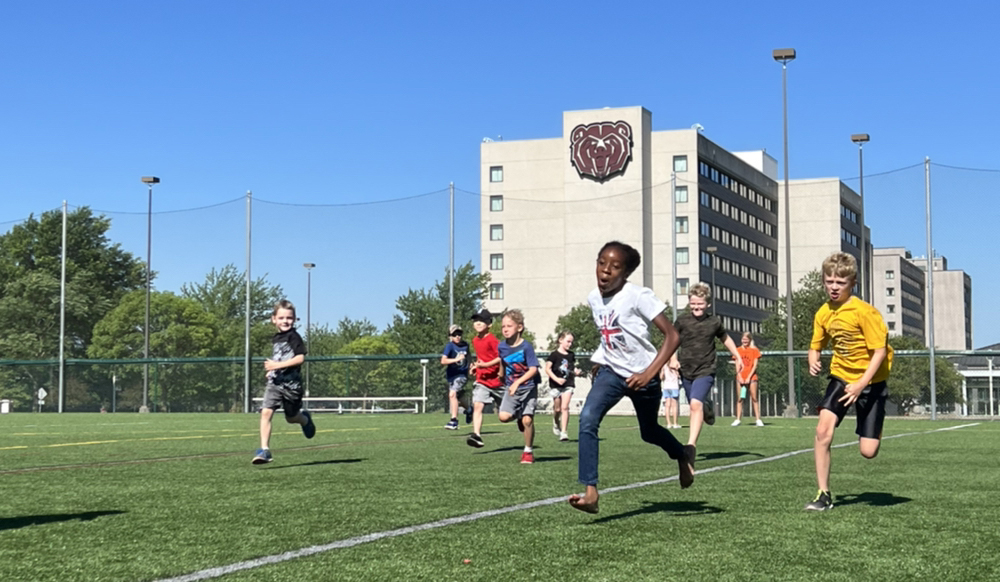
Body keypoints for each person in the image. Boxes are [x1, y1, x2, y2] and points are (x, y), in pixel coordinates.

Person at [569, 241, 688, 514]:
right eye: (601, 263)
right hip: (612, 372)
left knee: (649, 432)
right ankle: (591, 491)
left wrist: (649, 373)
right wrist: (600, 359)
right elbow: (609, 332)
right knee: (587, 419)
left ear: (626, 274)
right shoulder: (593, 298)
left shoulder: (638, 296)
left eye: (615, 266)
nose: (606, 271)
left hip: (643, 374)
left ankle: (682, 454)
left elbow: (673, 336)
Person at [805, 252, 893, 511]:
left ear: (852, 283)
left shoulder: (865, 313)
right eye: (829, 281)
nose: (833, 287)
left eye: (840, 283)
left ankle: (874, 428)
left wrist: (862, 384)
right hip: (841, 377)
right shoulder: (823, 313)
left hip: (872, 381)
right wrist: (813, 358)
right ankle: (823, 494)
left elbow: (879, 352)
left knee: (868, 451)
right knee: (822, 431)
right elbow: (816, 345)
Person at [669, 283, 743, 473]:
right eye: (693, 304)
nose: (696, 308)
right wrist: (673, 358)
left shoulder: (714, 322)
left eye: (700, 305)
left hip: (706, 369)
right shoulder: (682, 321)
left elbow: (725, 338)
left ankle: (691, 446)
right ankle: (707, 406)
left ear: (708, 304)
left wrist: (737, 355)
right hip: (686, 371)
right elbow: (671, 340)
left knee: (694, 404)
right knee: (697, 404)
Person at [253, 299, 316, 464]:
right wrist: (273, 370)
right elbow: (281, 356)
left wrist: (277, 365)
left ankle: (305, 419)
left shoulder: (294, 337)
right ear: (273, 319)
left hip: (291, 385)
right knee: (266, 412)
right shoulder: (276, 338)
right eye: (281, 318)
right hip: (276, 383)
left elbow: (300, 358)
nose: (285, 321)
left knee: (291, 418)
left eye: (289, 318)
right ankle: (264, 450)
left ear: (294, 319)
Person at [496, 309, 540, 464]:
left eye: (509, 326)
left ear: (519, 327)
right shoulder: (502, 347)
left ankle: (528, 452)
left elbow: (534, 369)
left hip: (528, 388)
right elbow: (502, 360)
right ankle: (518, 416)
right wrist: (500, 375)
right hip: (511, 388)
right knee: (503, 417)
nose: (505, 329)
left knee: (528, 420)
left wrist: (517, 382)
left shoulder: (526, 347)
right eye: (503, 326)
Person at [467, 309, 502, 448]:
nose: (478, 323)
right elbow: (481, 358)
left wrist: (488, 366)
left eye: (481, 321)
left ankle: (519, 419)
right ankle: (477, 435)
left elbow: (500, 358)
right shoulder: (475, 340)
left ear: (489, 324)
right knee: (478, 405)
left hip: (498, 382)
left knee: (506, 414)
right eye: (476, 321)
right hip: (482, 380)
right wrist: (475, 367)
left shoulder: (492, 340)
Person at [545, 331, 580, 441]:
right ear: (560, 340)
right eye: (568, 341)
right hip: (556, 385)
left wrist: (576, 371)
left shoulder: (571, 355)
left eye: (571, 342)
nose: (570, 344)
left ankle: (564, 432)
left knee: (565, 407)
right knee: (558, 408)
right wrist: (556, 379)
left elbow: (571, 367)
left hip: (568, 384)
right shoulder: (554, 355)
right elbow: (547, 369)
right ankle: (556, 422)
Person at [440, 324, 470, 430]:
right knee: (458, 399)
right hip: (452, 375)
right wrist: (456, 360)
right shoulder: (450, 346)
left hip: (461, 375)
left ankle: (454, 421)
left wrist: (472, 367)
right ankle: (470, 410)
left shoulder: (466, 345)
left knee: (452, 395)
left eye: (459, 334)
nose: (458, 336)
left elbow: (469, 358)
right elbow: (443, 361)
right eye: (455, 334)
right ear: (450, 336)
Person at [732, 332, 764, 427]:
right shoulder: (737, 350)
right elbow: (737, 363)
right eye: (743, 339)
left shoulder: (754, 350)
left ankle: (758, 419)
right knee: (740, 398)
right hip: (740, 378)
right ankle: (738, 419)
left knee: (754, 398)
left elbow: (755, 365)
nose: (744, 341)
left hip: (752, 378)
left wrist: (749, 377)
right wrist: (740, 376)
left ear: (750, 340)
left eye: (746, 339)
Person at [661, 364, 681, 429]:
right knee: (674, 406)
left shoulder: (664, 365)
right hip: (674, 387)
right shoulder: (676, 365)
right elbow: (678, 375)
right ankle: (675, 423)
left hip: (666, 386)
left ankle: (669, 423)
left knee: (667, 405)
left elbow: (661, 377)